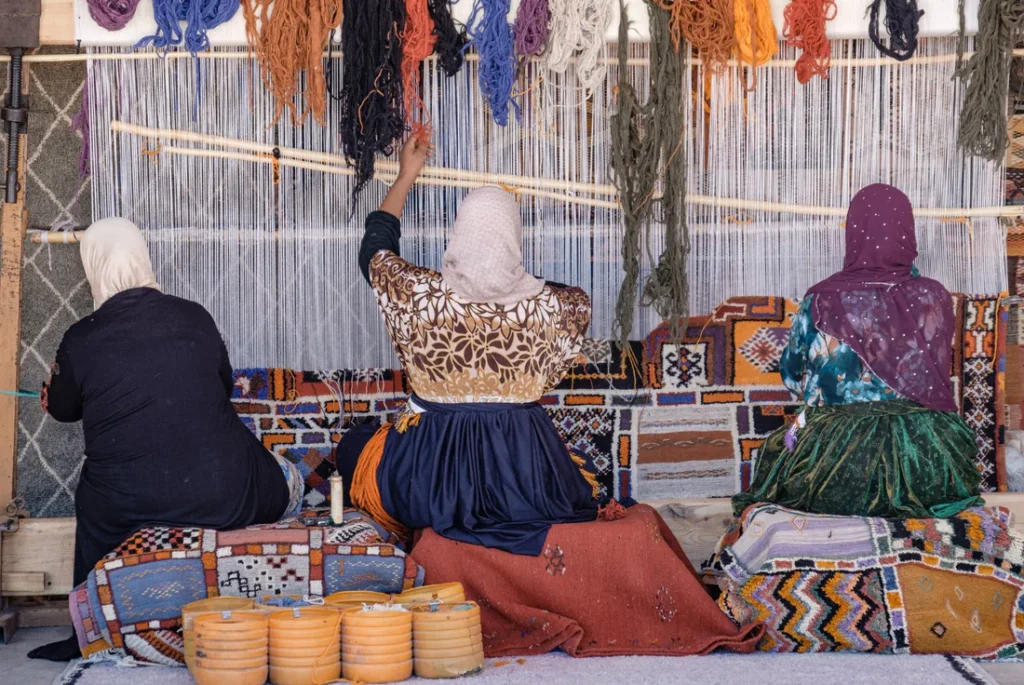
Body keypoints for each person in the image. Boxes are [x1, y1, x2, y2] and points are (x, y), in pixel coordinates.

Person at [29, 218, 304, 662]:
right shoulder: (194, 316)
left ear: (92, 266)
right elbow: (224, 385)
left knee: (93, 497)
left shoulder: (80, 339)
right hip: (225, 498)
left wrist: (55, 390)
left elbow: (62, 409)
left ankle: (88, 628)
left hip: (126, 512)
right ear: (142, 257)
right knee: (290, 481)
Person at [349, 137, 601, 554]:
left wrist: (407, 174)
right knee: (580, 470)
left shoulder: (416, 294)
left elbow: (374, 247)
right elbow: (553, 368)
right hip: (524, 482)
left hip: (428, 485)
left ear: (459, 232)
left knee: (355, 450)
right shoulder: (564, 305)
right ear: (513, 237)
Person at [732, 184, 983, 518]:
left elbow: (792, 379)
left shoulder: (819, 300)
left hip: (831, 465)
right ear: (907, 231)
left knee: (782, 456)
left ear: (854, 233)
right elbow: (935, 376)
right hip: (924, 464)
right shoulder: (934, 297)